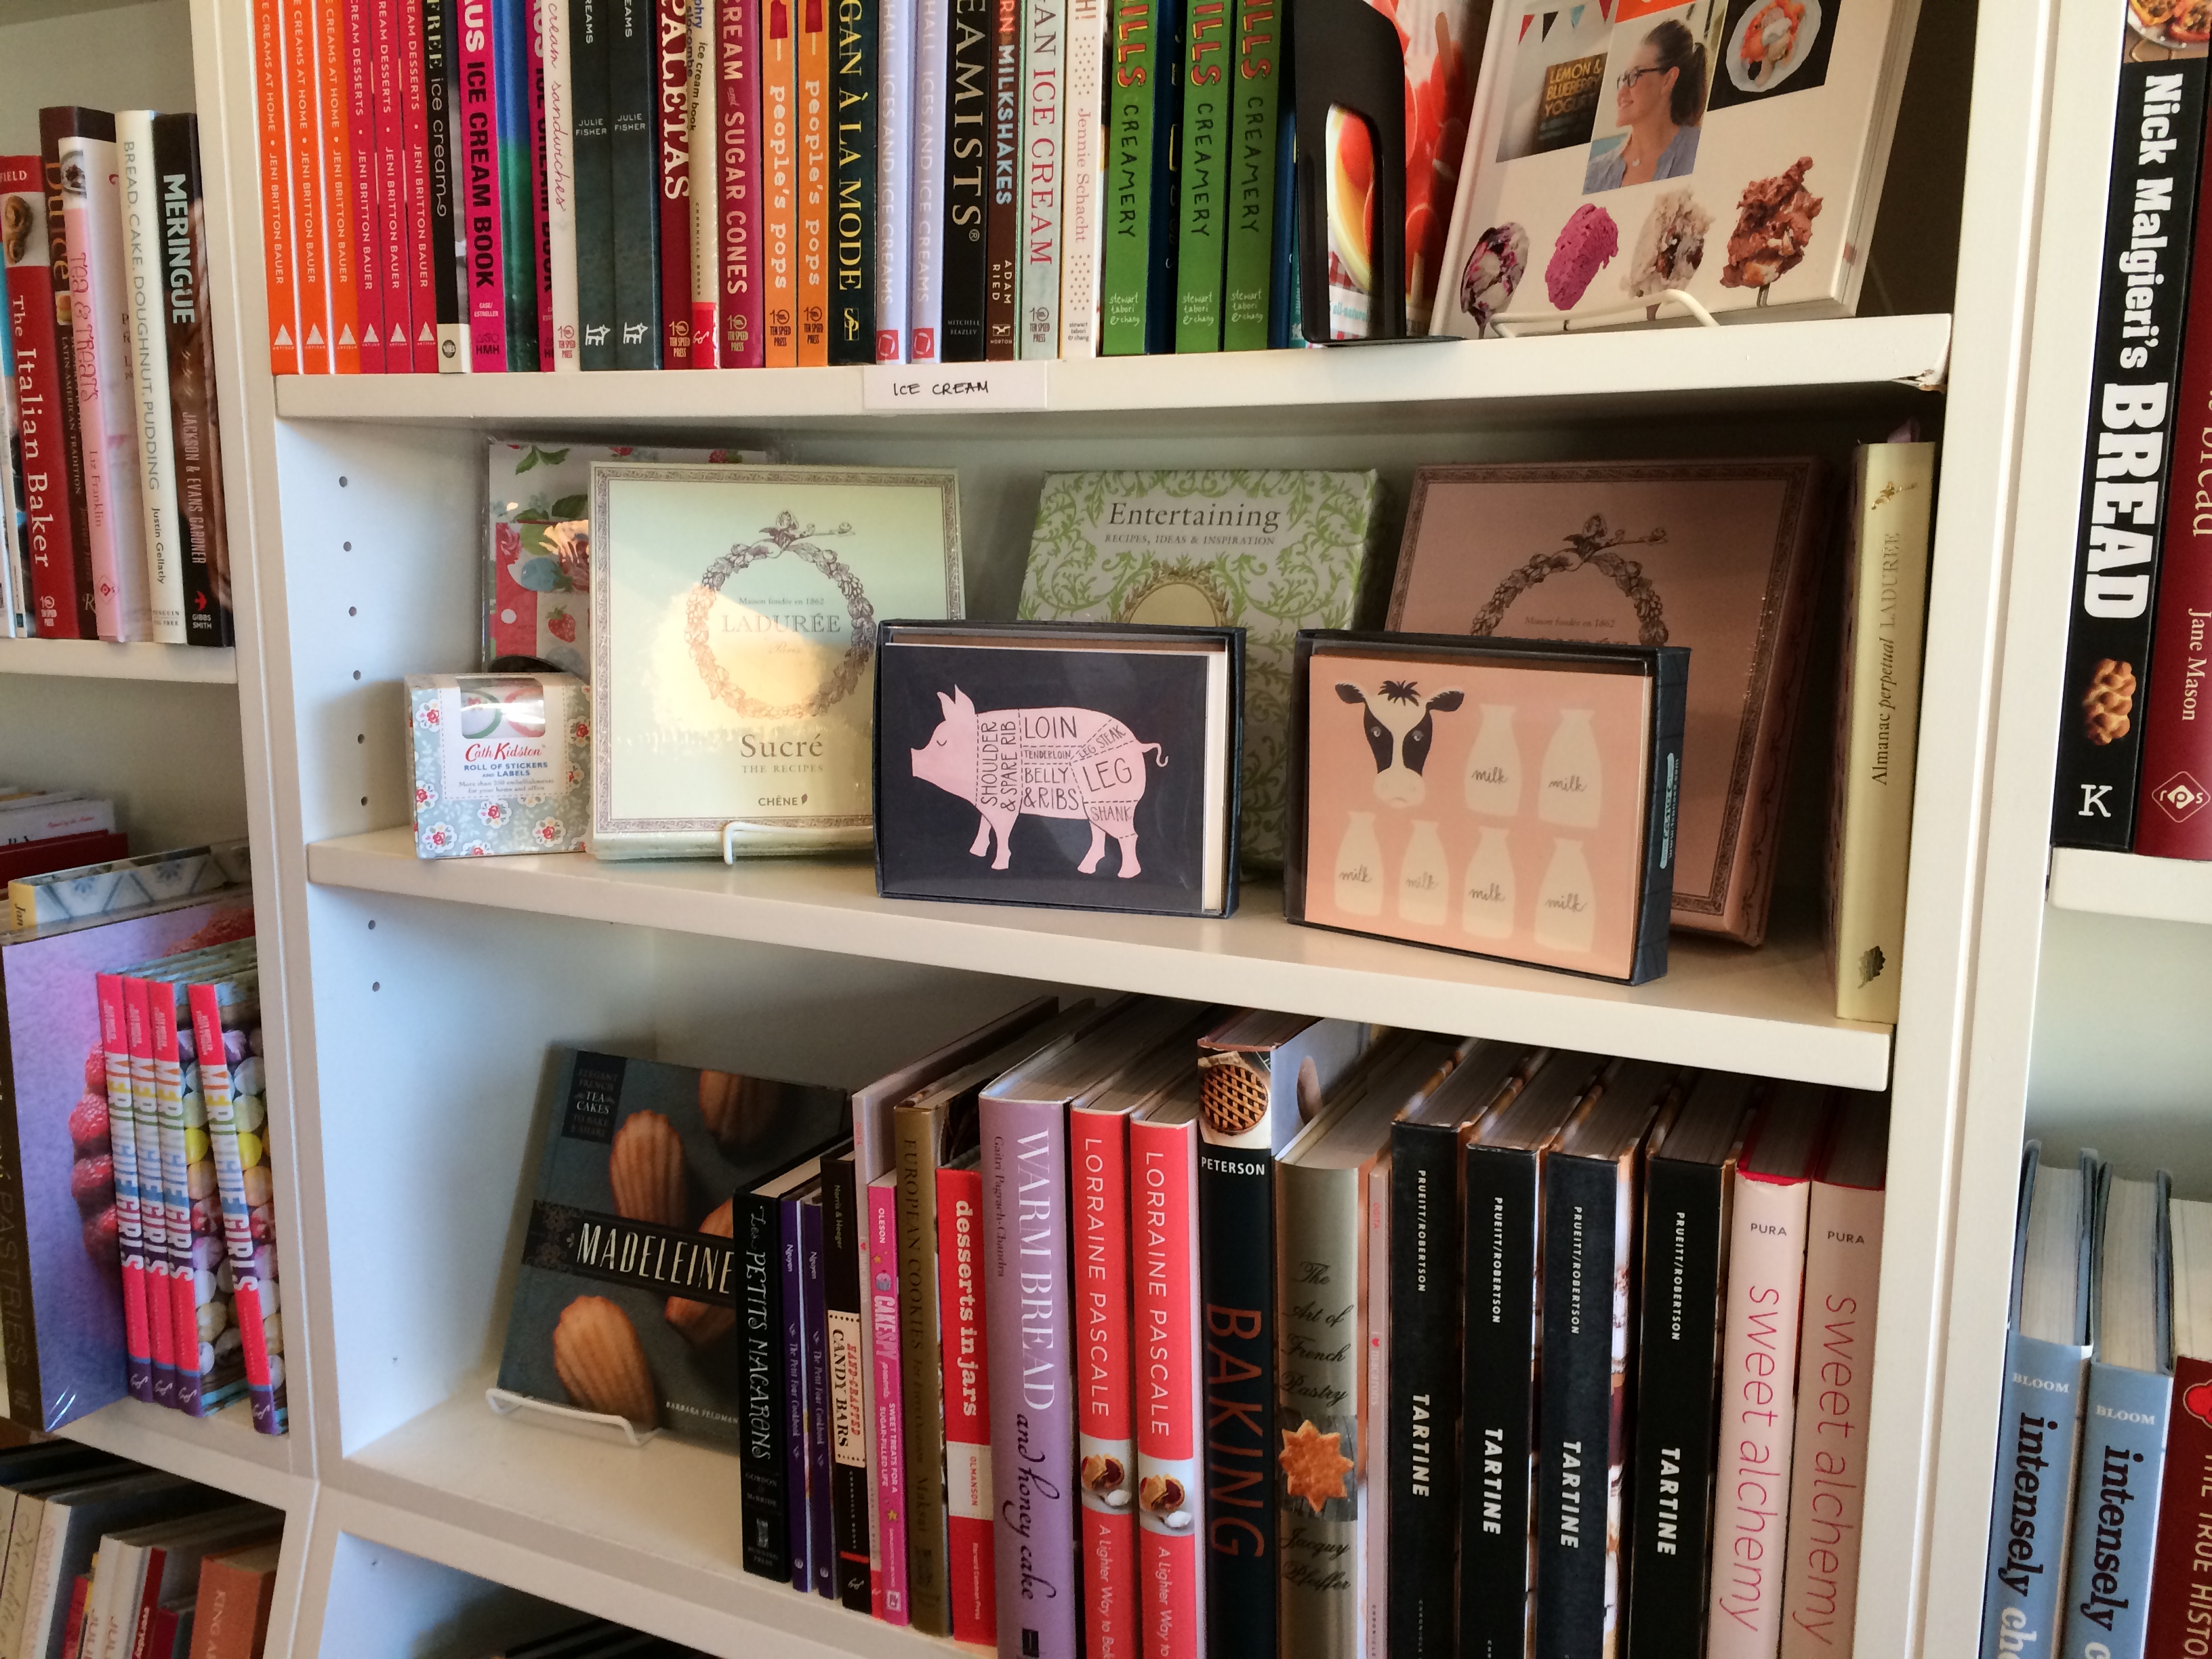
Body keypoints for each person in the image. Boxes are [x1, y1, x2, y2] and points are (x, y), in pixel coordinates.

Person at [1583, 19, 1707, 192]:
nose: (1622, 93)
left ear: (1668, 80)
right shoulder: (1594, 174)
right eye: (1624, 79)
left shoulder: (1703, 150)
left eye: (1635, 75)